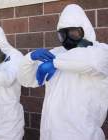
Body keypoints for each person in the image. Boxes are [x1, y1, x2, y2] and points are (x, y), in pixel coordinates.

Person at [17, 4, 108, 140]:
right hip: (50, 131)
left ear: (84, 30)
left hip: (82, 134)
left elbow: (91, 62)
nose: (68, 38)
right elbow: (26, 80)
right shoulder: (56, 53)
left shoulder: (100, 51)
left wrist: (55, 63)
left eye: (73, 33)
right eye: (63, 34)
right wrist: (30, 58)